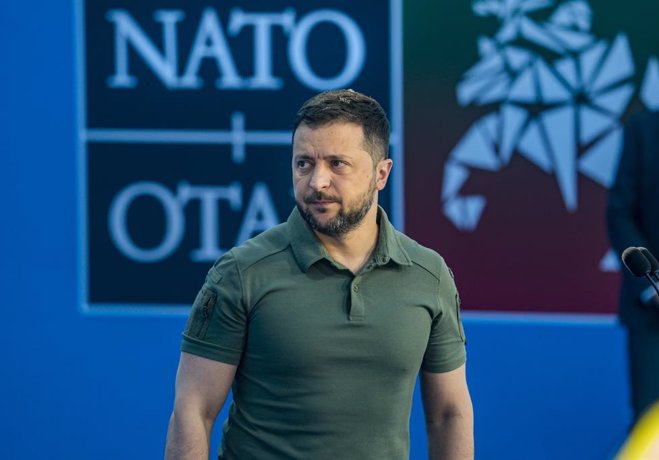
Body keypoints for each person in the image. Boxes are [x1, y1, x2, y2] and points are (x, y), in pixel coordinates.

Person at [164, 89, 474, 459]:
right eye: (304, 164)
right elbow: (193, 411)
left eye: (337, 164)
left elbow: (448, 414)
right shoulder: (241, 273)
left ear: (381, 173)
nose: (317, 182)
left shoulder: (429, 275)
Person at [607, 16, 659, 424]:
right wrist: (657, 286)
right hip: (656, 307)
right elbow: (620, 212)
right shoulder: (644, 130)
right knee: (651, 424)